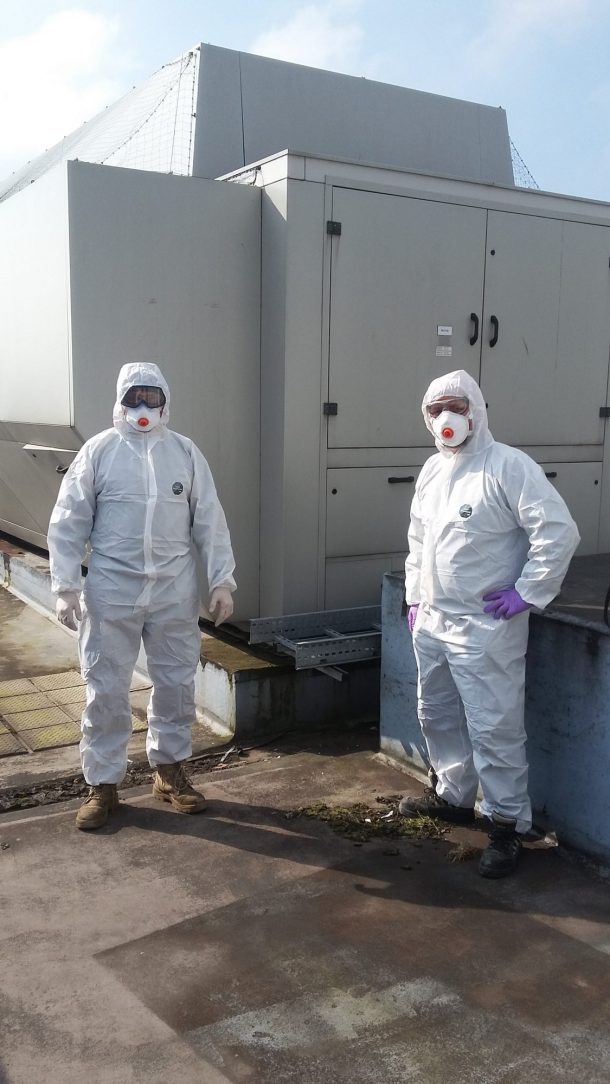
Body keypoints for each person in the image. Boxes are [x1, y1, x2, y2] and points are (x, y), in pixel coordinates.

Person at [400, 369, 579, 878]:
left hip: (485, 626)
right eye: (436, 410)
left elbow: (558, 532)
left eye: (456, 407)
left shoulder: (508, 466)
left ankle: (506, 824)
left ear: (476, 410)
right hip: (433, 620)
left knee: (494, 727)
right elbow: (417, 539)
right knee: (435, 712)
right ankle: (453, 795)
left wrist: (528, 591)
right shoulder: (432, 470)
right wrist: (415, 597)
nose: (446, 418)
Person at [48, 362, 236, 831]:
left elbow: (209, 520)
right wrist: (66, 586)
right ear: (121, 400)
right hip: (112, 589)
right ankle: (102, 785)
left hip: (173, 591)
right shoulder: (99, 451)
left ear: (165, 400)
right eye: (135, 397)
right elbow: (69, 520)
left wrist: (222, 580)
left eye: (152, 397)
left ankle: (168, 772)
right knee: (105, 687)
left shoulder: (184, 452)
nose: (143, 406)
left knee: (176, 684)